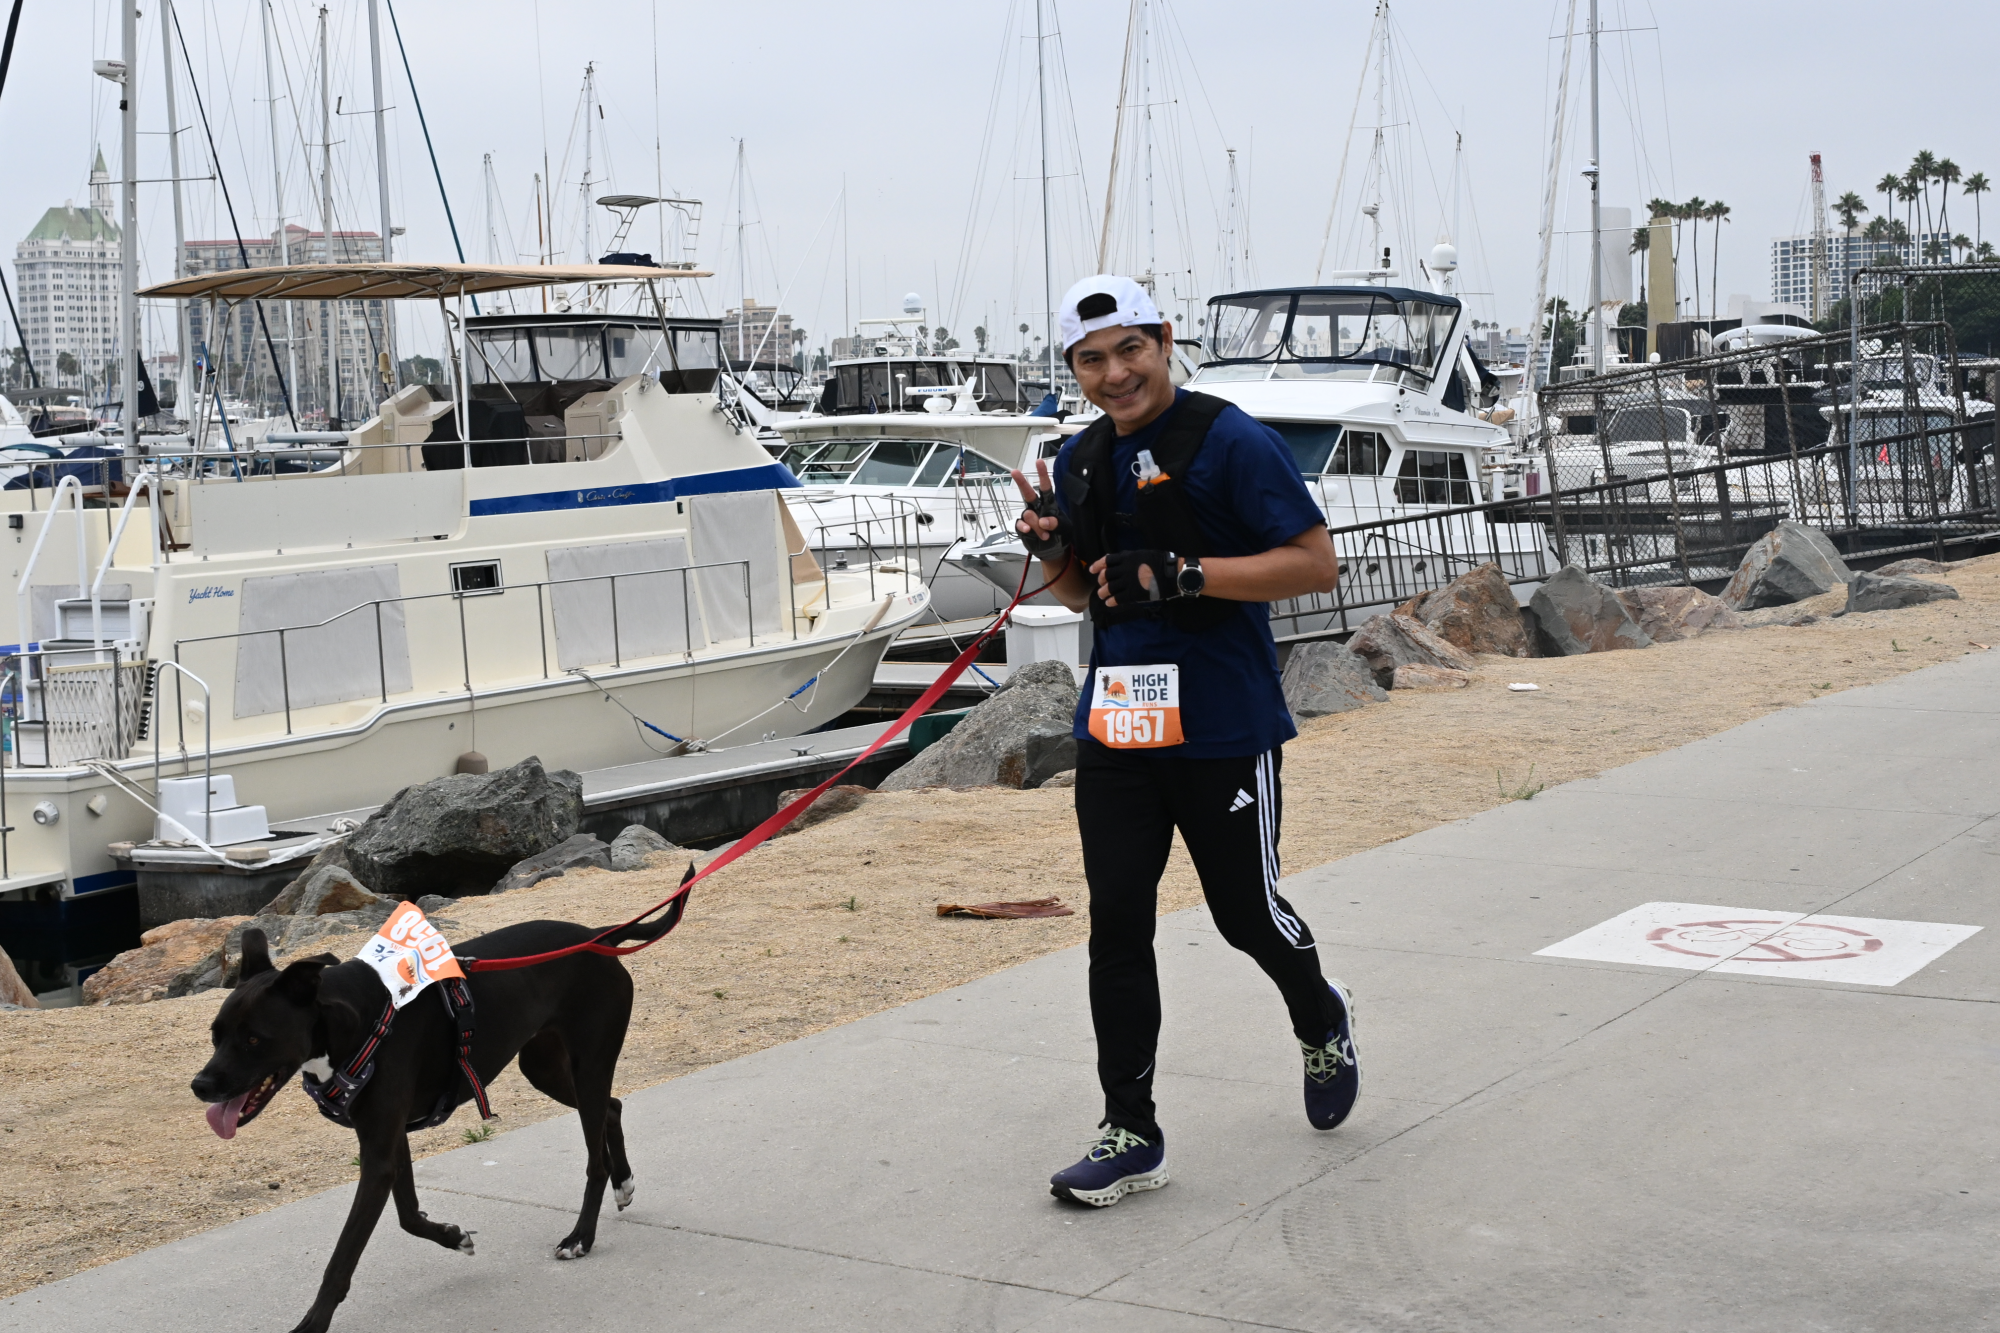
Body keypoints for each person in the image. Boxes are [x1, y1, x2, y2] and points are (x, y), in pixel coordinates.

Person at [1012, 274, 1359, 1209]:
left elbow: (1316, 564)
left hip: (1222, 721)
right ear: (1074, 368)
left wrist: (1186, 572)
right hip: (1121, 721)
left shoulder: (1230, 437)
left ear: (1165, 341)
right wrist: (1051, 545)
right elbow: (1087, 594)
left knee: (1246, 913)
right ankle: (1131, 1129)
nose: (1115, 373)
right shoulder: (1081, 457)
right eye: (1092, 359)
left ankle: (1321, 1017)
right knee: (1116, 924)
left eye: (1131, 349)